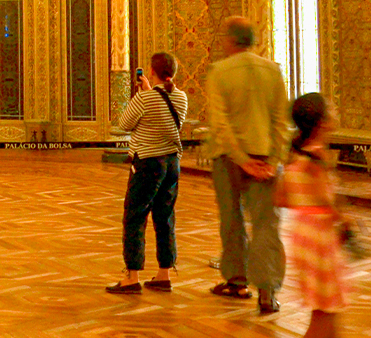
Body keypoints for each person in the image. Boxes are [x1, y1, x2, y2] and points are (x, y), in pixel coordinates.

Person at [272, 93, 371, 338]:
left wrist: (307, 204)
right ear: (322, 122)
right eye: (331, 109)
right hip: (320, 238)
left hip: (302, 233)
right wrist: (345, 221)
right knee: (322, 320)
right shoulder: (316, 156)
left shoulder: (294, 155)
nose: (335, 111)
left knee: (327, 314)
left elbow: (280, 199)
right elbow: (328, 200)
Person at [203, 16, 291, 313]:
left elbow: (220, 123)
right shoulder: (273, 71)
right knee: (267, 224)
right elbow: (281, 121)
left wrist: (241, 159)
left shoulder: (219, 71)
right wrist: (273, 161)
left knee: (232, 220)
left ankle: (237, 281)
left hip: (229, 159)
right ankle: (267, 291)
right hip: (266, 159)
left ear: (230, 40)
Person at [106, 52, 188, 294]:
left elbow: (124, 124)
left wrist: (143, 94)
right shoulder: (181, 97)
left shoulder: (144, 98)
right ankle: (164, 274)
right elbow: (165, 116)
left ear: (152, 72)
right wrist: (150, 92)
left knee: (135, 217)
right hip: (171, 163)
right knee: (165, 217)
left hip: (148, 164)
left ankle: (132, 277)